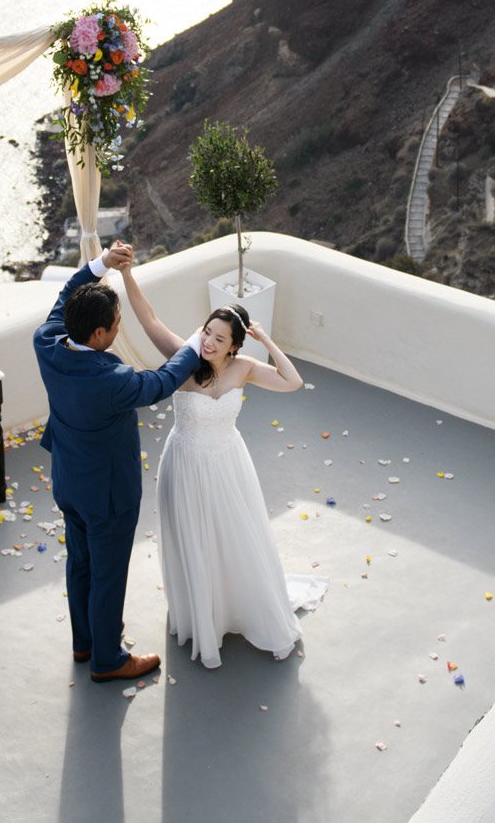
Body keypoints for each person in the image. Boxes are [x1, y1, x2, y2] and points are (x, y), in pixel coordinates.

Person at [119, 252, 326, 667]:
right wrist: (126, 274)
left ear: (234, 346)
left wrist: (267, 341)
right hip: (186, 463)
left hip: (229, 464)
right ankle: (203, 616)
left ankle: (237, 606)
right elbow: (149, 320)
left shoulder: (245, 368)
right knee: (194, 538)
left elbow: (293, 382)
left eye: (218, 338)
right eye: (206, 332)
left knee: (234, 537)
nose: (208, 341)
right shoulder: (184, 359)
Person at [32, 242, 199, 683]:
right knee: (108, 573)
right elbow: (163, 381)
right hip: (108, 493)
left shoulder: (48, 341)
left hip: (69, 481)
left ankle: (83, 641)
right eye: (117, 324)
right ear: (101, 335)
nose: (118, 328)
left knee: (80, 563)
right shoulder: (113, 380)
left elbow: (67, 292)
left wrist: (101, 265)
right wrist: (197, 345)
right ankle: (108, 659)